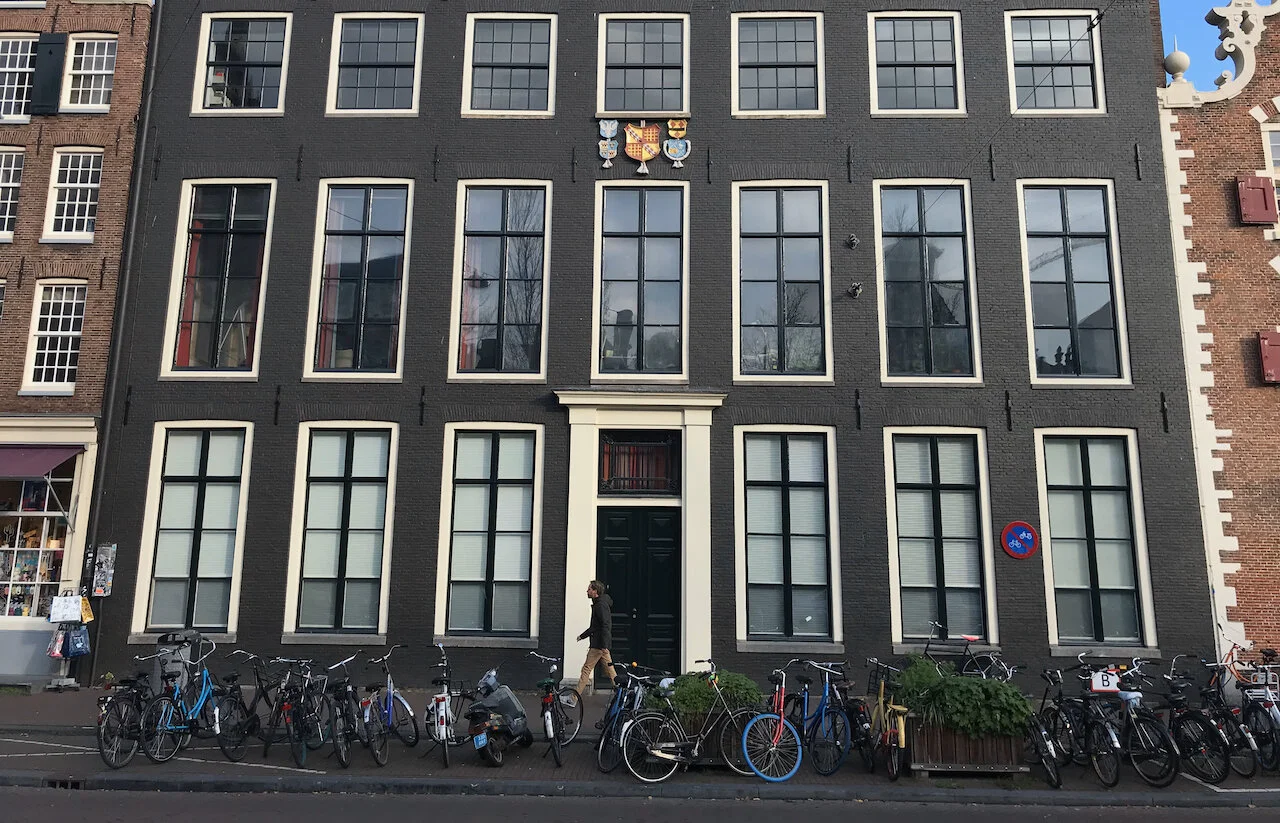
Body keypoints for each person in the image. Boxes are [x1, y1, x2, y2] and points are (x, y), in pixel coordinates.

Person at [575, 579, 617, 697]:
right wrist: (582, 636)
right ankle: (621, 693)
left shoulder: (600, 606)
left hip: (598, 645)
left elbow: (604, 625)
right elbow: (596, 626)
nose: (587, 591)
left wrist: (604, 645)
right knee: (610, 670)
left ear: (595, 591)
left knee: (586, 669)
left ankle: (574, 697)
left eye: (589, 589)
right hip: (601, 645)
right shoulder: (600, 604)